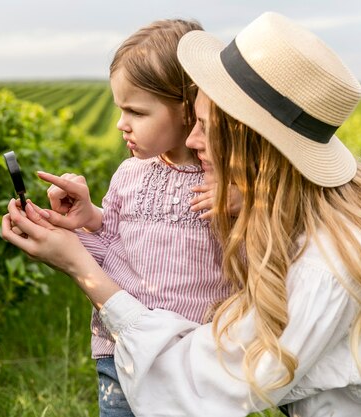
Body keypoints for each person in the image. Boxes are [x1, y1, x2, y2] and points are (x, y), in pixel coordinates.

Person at [2, 11, 361, 417]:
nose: (192, 138)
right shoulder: (308, 216)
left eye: (203, 124)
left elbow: (202, 387)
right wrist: (90, 227)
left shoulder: (326, 267)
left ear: (250, 141)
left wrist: (80, 267)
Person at [31, 19, 231, 417]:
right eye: (120, 109)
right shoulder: (129, 174)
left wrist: (242, 200)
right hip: (118, 348)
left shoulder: (225, 181)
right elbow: (116, 247)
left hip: (191, 358)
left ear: (190, 108)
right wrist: (78, 221)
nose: (122, 124)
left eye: (136, 111)